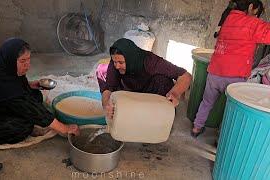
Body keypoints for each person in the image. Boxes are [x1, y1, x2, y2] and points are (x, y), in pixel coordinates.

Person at [0, 38, 79, 146]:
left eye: (28, 59)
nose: (27, 65)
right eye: (23, 61)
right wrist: (64, 128)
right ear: (11, 59)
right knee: (22, 128)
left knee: (35, 95)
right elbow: (32, 110)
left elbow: (17, 87)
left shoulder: (3, 64)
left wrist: (30, 85)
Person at [192, 0, 269, 137]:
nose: (257, 17)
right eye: (257, 13)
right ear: (251, 7)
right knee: (231, 110)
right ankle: (221, 137)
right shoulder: (252, 23)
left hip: (215, 71)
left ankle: (196, 128)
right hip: (235, 75)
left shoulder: (228, 18)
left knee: (207, 102)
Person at [96, 38, 192, 118]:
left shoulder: (150, 61)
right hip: (130, 92)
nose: (117, 66)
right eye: (115, 62)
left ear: (131, 59)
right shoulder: (115, 63)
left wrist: (174, 94)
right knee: (102, 70)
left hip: (150, 94)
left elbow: (185, 76)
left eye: (121, 63)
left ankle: (161, 115)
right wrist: (106, 105)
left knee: (163, 80)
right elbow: (108, 88)